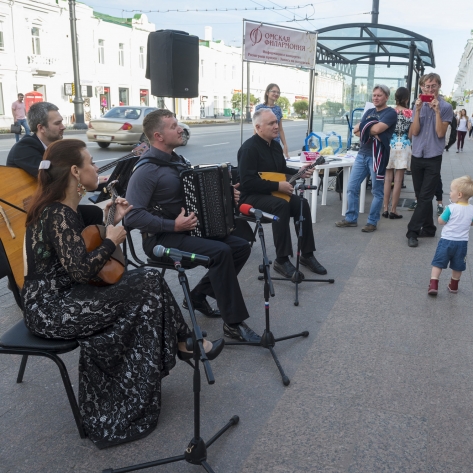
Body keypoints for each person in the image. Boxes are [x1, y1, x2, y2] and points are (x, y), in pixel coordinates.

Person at [21, 139, 223, 448]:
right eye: (90, 162)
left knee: (147, 282)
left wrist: (110, 223)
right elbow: (82, 270)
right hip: (51, 310)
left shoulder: (66, 210)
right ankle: (184, 341)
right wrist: (111, 241)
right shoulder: (56, 214)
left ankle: (182, 343)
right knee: (148, 281)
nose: (95, 168)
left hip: (70, 296)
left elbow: (82, 249)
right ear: (75, 172)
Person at [125, 109, 260, 343]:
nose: (180, 129)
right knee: (221, 252)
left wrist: (227, 196)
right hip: (161, 239)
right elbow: (131, 217)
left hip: (186, 230)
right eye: (173, 126)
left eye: (178, 124)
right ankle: (234, 324)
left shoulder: (178, 161)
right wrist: (172, 225)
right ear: (158, 135)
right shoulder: (146, 170)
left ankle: (197, 296)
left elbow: (195, 193)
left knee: (241, 246)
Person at [238, 108, 327, 278]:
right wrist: (278, 186)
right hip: (251, 196)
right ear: (258, 127)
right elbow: (247, 182)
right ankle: (282, 260)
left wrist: (299, 171)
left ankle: (307, 255)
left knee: (301, 204)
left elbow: (280, 169)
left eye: (276, 122)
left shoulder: (275, 146)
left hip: (271, 192)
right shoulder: (249, 149)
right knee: (281, 205)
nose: (276, 126)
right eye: (271, 123)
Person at [6, 101, 105, 225]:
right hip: (22, 215)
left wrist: (102, 183)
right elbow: (55, 179)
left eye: (62, 122)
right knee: (93, 214)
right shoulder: (24, 148)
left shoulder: (55, 149)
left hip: (47, 207)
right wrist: (95, 181)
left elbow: (72, 182)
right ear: (41, 128)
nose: (63, 126)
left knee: (95, 214)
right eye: (57, 123)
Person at [335, 85, 397, 233]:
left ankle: (372, 222)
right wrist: (372, 131)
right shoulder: (369, 111)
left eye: (379, 95)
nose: (375, 98)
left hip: (378, 156)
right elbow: (356, 130)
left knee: (377, 191)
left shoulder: (390, 113)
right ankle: (351, 219)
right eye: (374, 95)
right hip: (362, 154)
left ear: (386, 97)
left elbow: (372, 129)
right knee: (351, 188)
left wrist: (367, 129)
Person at [405, 73, 454, 248]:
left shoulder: (446, 106)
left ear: (439, 86)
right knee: (421, 195)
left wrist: (437, 111)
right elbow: (415, 132)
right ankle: (429, 227)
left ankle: (412, 231)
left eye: (433, 86)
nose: (430, 89)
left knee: (425, 197)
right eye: (426, 86)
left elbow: (441, 133)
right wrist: (417, 111)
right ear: (421, 87)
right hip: (417, 155)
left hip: (434, 157)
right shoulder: (416, 105)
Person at [428, 175, 473, 296]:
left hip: (446, 241)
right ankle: (454, 285)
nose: (449, 193)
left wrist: (442, 217)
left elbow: (441, 221)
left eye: (451, 191)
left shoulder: (451, 208)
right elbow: (472, 223)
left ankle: (433, 284)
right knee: (458, 266)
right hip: (462, 243)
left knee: (438, 263)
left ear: (459, 194)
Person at [382, 87, 412, 219]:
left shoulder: (389, 111)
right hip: (404, 146)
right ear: (406, 98)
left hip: (390, 144)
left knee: (387, 179)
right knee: (398, 180)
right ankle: (394, 210)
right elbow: (411, 133)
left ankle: (385, 208)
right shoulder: (410, 113)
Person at [255, 83, 289, 158]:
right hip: (263, 143)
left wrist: (285, 145)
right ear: (267, 92)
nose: (276, 94)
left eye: (278, 92)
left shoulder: (278, 109)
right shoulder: (259, 108)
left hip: (275, 143)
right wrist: (256, 143)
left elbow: (280, 129)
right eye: (273, 91)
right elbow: (256, 128)